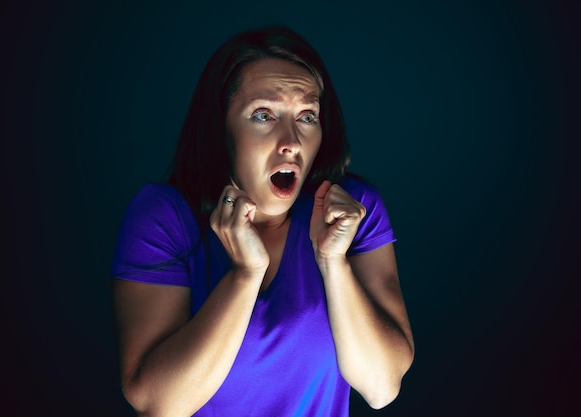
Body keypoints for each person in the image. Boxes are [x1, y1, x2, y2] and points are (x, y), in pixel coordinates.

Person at [111, 26, 414, 417]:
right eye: (263, 115)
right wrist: (245, 274)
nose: (291, 140)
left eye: (307, 116)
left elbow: (381, 386)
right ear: (222, 128)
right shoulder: (164, 218)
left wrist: (334, 264)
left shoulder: (352, 210)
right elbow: (160, 405)